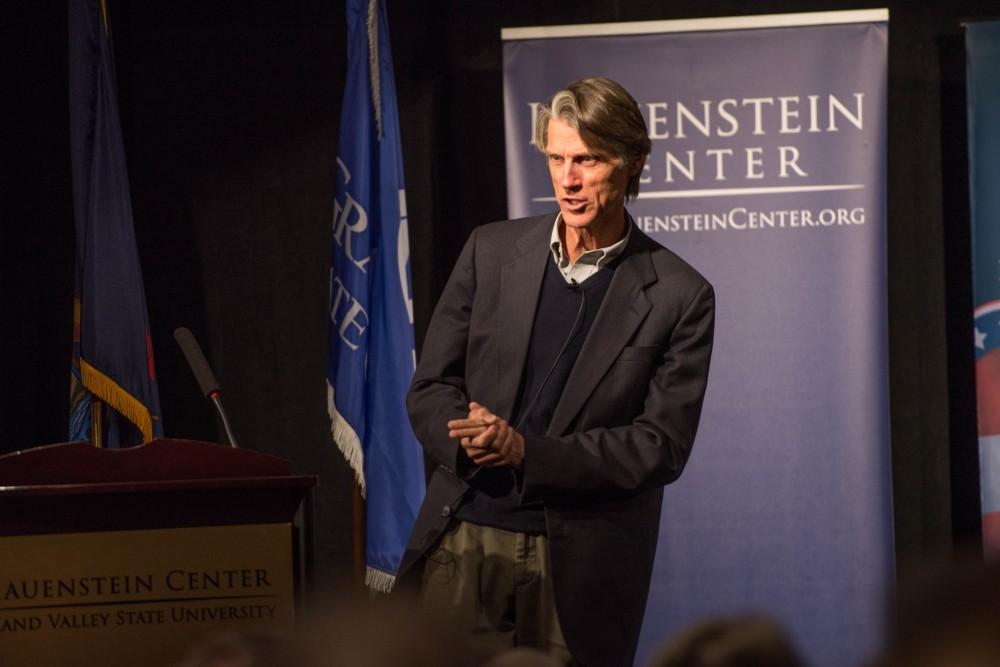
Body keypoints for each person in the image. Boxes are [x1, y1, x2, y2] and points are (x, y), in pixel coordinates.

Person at [396, 77, 715, 667]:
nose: (567, 180)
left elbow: (658, 446)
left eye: (587, 160)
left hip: (579, 564)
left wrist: (525, 452)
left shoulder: (679, 294)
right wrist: (471, 436)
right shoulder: (489, 251)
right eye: (556, 159)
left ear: (633, 162)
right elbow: (430, 387)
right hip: (465, 539)